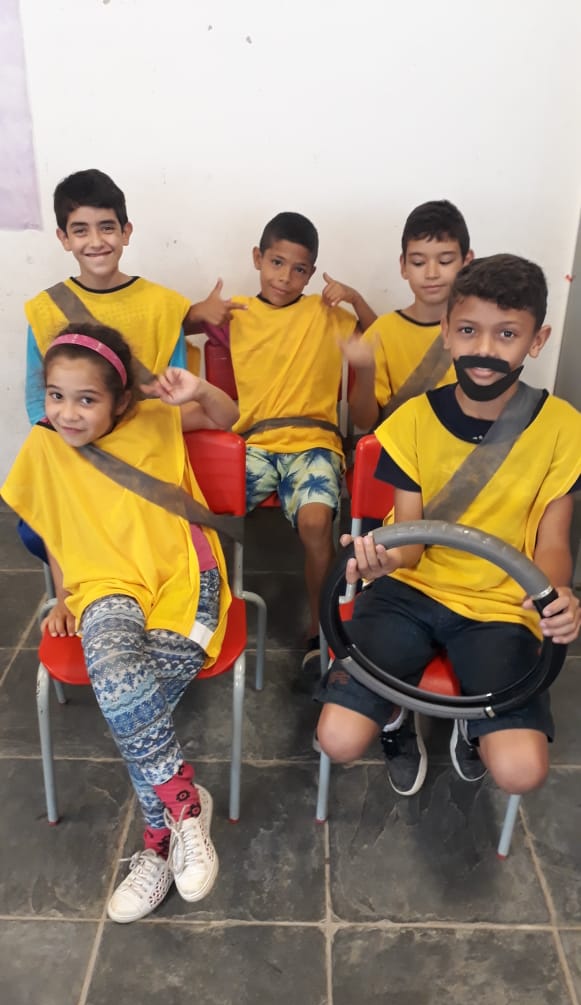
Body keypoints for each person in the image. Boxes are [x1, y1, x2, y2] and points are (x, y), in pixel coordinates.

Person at [316, 254, 581, 799]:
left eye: (506, 333)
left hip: (501, 606)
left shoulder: (563, 428)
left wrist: (556, 593)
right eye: (468, 331)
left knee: (521, 772)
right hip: (410, 591)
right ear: (446, 333)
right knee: (337, 741)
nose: (484, 349)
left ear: (537, 340)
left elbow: (553, 541)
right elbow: (409, 543)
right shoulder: (412, 420)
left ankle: (471, 721)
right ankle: (395, 713)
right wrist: (381, 559)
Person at [2, 322, 239, 923]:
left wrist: (201, 390)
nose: (68, 412)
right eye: (56, 395)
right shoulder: (43, 444)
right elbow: (56, 527)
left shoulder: (157, 421)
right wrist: (63, 596)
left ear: (120, 400)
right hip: (105, 583)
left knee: (129, 701)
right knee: (117, 677)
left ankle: (156, 847)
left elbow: (229, 418)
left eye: (86, 399)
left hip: (182, 578)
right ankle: (185, 807)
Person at [23, 168, 244, 630]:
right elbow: (37, 403)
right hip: (79, 461)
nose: (95, 241)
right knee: (38, 523)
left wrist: (136, 426)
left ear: (126, 231)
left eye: (107, 227)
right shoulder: (44, 310)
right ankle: (82, 594)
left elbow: (175, 397)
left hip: (148, 460)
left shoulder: (163, 306)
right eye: (80, 230)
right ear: (63, 238)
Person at [196, 211, 377, 673]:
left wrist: (356, 300)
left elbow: (381, 338)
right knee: (196, 511)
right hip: (254, 444)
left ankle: (322, 632)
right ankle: (195, 612)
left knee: (317, 523)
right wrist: (197, 311)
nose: (285, 277)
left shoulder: (325, 313)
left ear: (311, 274)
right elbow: (172, 328)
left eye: (299, 269)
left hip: (314, 443)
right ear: (257, 258)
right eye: (276, 263)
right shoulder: (238, 313)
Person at [348, 200, 474, 432]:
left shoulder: (482, 330)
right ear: (404, 266)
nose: (431, 273)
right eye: (418, 262)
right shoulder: (382, 332)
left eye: (445, 261)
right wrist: (365, 373)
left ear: (467, 262)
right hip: (400, 449)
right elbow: (363, 422)